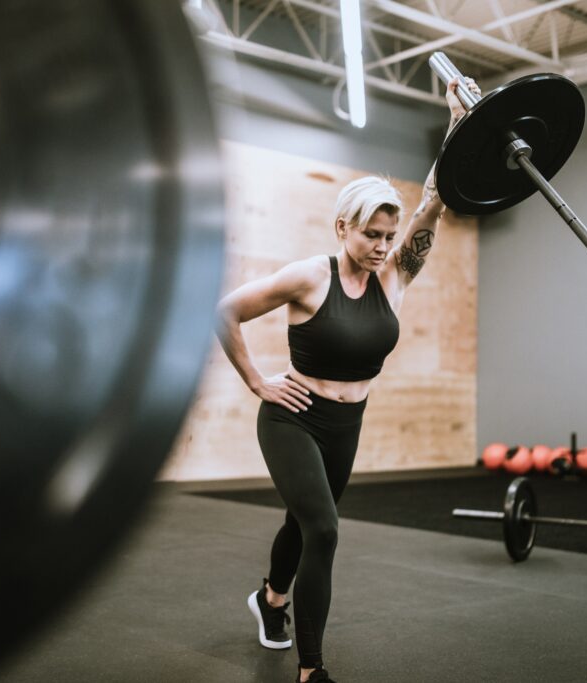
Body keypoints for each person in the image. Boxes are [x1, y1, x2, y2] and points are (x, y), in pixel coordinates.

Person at [215, 77, 481, 683]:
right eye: (372, 235)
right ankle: (313, 671)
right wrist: (258, 382)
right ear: (342, 227)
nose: (385, 247)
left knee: (300, 522)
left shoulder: (395, 279)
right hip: (292, 415)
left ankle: (271, 599)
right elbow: (224, 310)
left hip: (346, 424)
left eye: (391, 237)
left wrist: (457, 123)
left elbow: (433, 202)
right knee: (325, 530)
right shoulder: (310, 276)